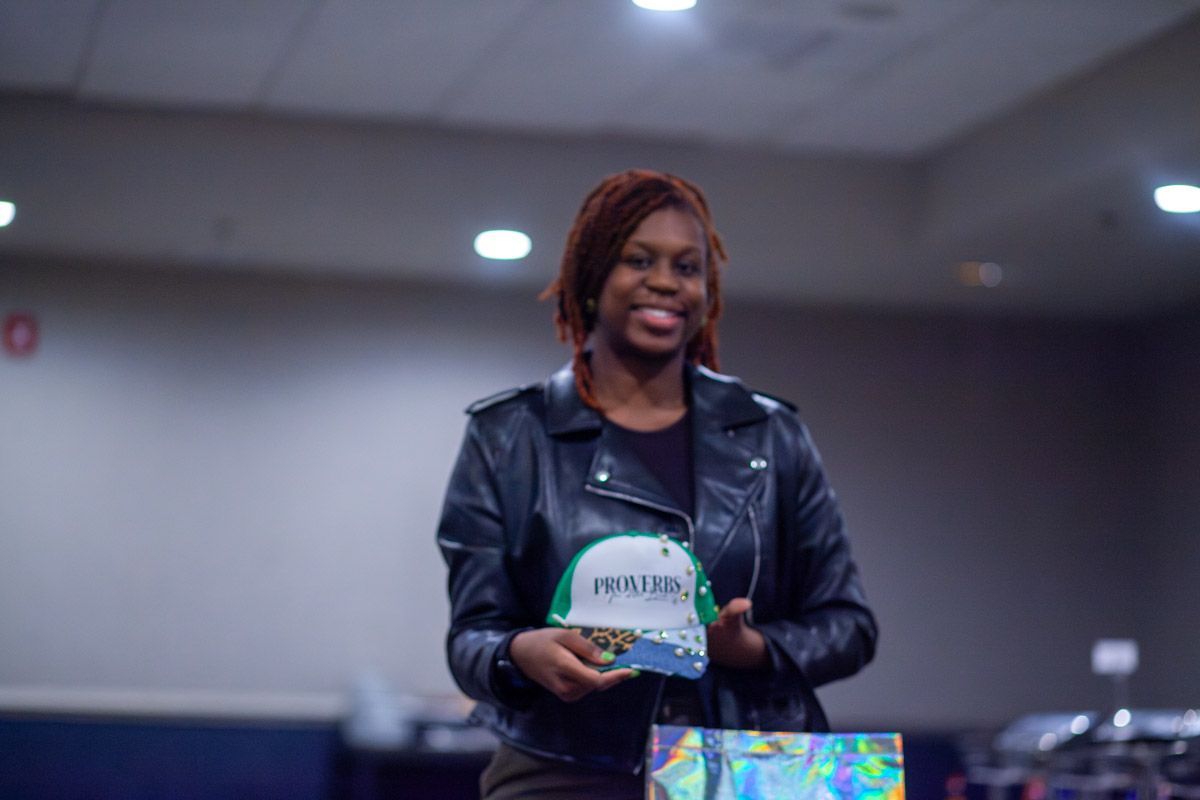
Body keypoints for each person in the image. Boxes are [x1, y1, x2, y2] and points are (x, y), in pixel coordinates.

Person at [437, 169, 877, 799]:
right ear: (591, 280)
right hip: (568, 766)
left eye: (687, 267)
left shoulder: (771, 432)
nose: (666, 282)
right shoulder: (509, 434)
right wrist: (522, 653)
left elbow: (849, 627)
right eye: (639, 260)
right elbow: (472, 637)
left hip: (750, 766)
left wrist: (748, 648)